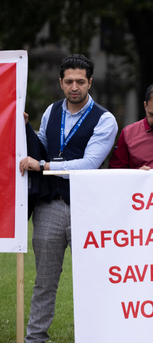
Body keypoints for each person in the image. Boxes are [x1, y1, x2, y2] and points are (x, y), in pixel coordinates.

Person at [18, 54, 118, 343]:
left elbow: (89, 164)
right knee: (45, 281)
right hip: (50, 206)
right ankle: (35, 338)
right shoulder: (51, 111)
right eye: (69, 81)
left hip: (88, 208)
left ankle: (99, 335)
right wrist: (24, 128)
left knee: (95, 280)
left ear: (90, 83)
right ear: (61, 83)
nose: (75, 87)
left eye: (81, 81)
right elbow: (43, 146)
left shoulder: (105, 119)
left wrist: (46, 167)